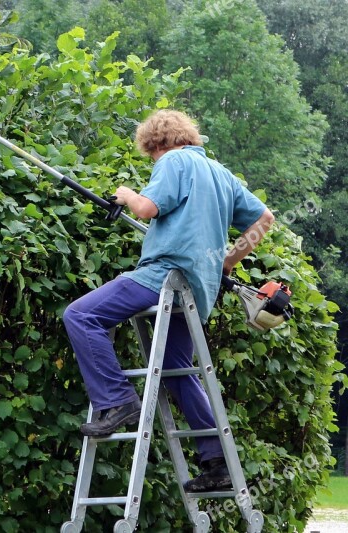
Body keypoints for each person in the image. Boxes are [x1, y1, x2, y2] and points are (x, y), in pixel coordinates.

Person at [62, 109, 275, 492]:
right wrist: (226, 262)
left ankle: (117, 400)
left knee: (80, 315)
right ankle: (217, 463)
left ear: (156, 143)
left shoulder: (173, 160)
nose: (153, 161)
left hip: (164, 276)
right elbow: (264, 219)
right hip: (198, 287)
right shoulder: (221, 173)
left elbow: (147, 209)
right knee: (177, 369)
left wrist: (127, 195)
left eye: (150, 156)